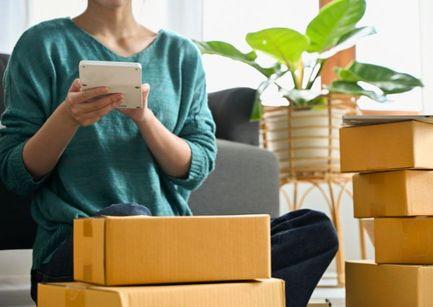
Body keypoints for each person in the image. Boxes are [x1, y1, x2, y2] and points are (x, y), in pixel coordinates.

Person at [0, 1, 338, 306]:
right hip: (75, 247)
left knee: (313, 230)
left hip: (171, 244)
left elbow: (198, 164)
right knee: (129, 218)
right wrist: (68, 117)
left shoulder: (181, 54)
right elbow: (14, 172)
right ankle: (209, 292)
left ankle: (186, 285)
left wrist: (145, 119)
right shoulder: (41, 44)